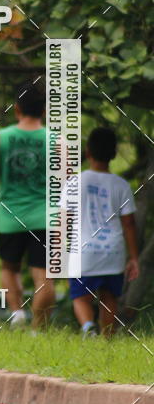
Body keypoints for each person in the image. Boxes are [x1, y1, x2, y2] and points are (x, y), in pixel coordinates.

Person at [0, 82, 55, 329]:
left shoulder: (1, 138)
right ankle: (38, 329)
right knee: (44, 276)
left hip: (10, 217)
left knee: (9, 267)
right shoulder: (56, 140)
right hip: (45, 218)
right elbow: (68, 183)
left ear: (16, 109)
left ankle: (17, 313)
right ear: (44, 110)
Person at [69, 127, 139, 338]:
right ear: (114, 154)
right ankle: (107, 337)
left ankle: (88, 327)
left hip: (84, 252)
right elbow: (129, 224)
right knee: (110, 296)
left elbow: (62, 219)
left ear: (87, 152)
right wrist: (134, 257)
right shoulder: (122, 185)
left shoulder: (74, 182)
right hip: (113, 251)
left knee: (80, 296)